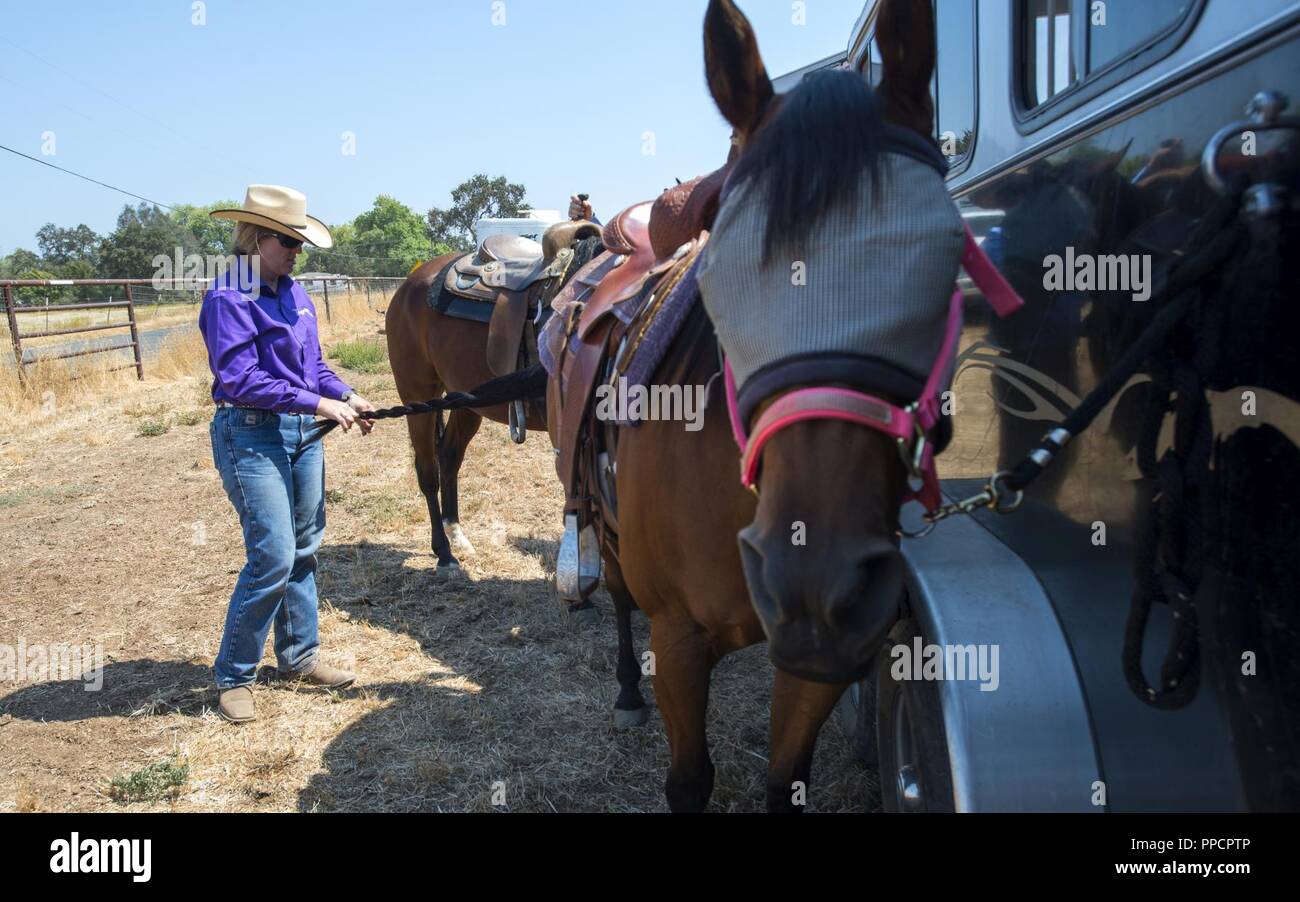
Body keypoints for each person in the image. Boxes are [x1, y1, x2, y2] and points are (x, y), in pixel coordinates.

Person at [200, 185, 376, 724]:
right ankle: (234, 675)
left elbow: (312, 367)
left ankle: (299, 657)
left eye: (300, 243)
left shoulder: (294, 293)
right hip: (251, 434)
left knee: (304, 545)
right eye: (287, 241)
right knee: (273, 554)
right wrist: (318, 402)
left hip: (300, 434)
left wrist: (344, 393)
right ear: (254, 238)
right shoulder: (229, 296)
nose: (296, 251)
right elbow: (241, 378)